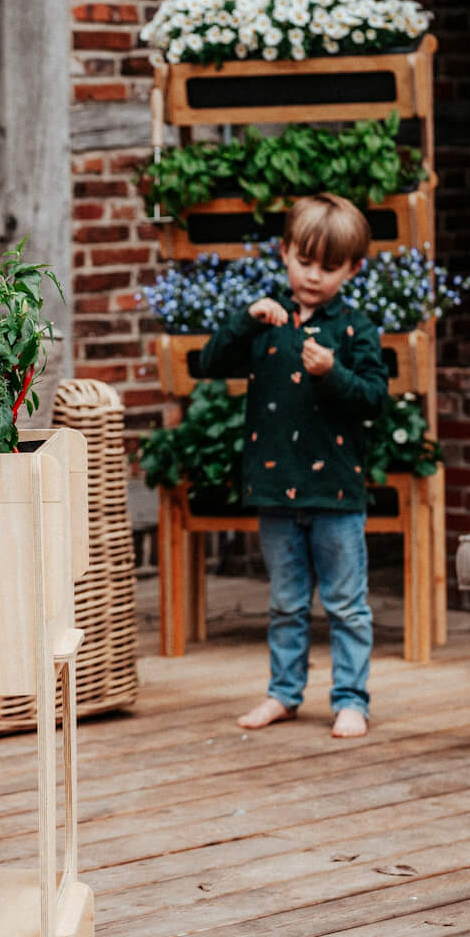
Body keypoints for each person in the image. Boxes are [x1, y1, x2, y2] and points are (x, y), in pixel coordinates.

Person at [191, 194, 390, 740]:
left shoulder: (354, 329)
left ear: (353, 269)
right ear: (284, 253)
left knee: (347, 605)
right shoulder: (265, 320)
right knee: (285, 603)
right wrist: (244, 320)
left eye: (329, 267)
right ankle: (283, 693)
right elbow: (210, 362)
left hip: (336, 493)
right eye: (304, 262)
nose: (313, 276)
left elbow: (375, 398)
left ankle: (351, 699)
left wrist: (333, 373)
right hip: (275, 487)